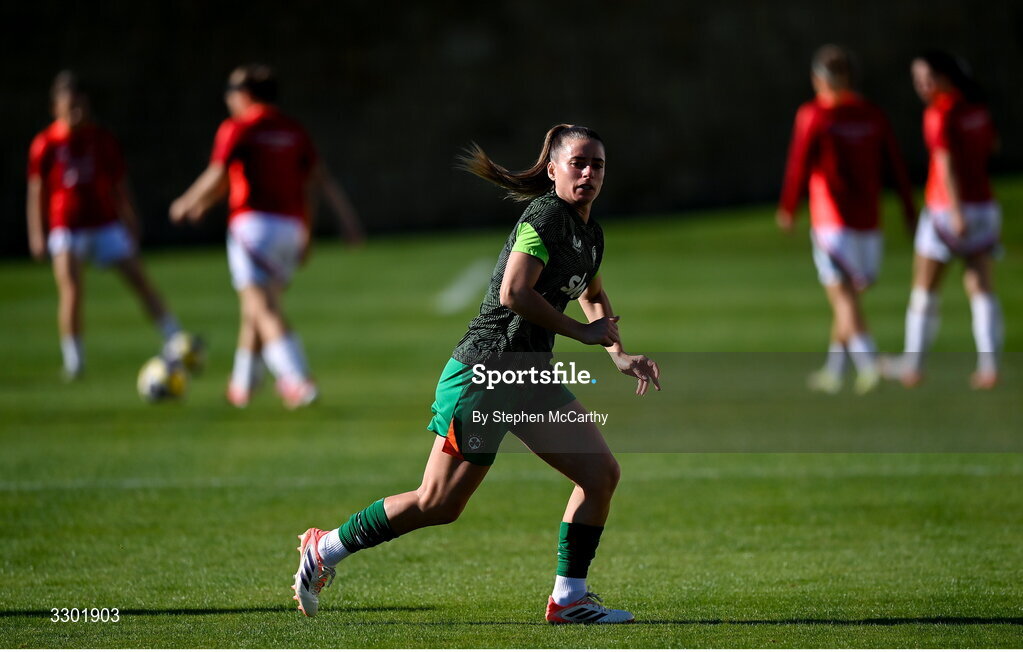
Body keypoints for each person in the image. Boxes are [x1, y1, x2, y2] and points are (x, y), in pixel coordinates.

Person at [290, 124, 661, 623]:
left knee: (600, 476)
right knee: (438, 503)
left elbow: (592, 294)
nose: (589, 173)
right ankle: (325, 549)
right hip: (485, 371)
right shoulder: (545, 216)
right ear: (553, 169)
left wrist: (616, 352)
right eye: (578, 163)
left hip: (528, 378)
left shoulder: (589, 233)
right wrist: (580, 333)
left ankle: (569, 599)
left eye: (598, 164)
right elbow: (514, 292)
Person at [170, 64, 364, 409]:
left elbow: (218, 173)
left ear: (243, 95)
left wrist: (188, 201)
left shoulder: (239, 127)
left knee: (262, 307)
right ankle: (242, 385)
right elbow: (317, 181)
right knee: (254, 308)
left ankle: (297, 379)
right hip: (288, 229)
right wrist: (336, 223)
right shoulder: (293, 129)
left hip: (252, 229)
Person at [27, 71, 185, 381]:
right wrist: (37, 232)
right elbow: (37, 191)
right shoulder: (46, 144)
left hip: (104, 223)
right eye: (69, 106)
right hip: (66, 227)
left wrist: (130, 219)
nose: (76, 112)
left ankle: (176, 339)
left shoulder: (101, 139)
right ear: (54, 108)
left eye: (80, 105)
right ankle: (74, 360)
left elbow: (119, 184)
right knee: (71, 291)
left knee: (139, 280)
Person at [777, 45, 917, 394]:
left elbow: (799, 163)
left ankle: (868, 364)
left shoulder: (814, 114)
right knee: (847, 296)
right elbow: (897, 166)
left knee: (844, 298)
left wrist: (789, 207)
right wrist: (909, 209)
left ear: (817, 79)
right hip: (869, 222)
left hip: (831, 221)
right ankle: (835, 371)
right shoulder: (872, 114)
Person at [881, 51, 1003, 390]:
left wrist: (955, 208)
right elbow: (993, 146)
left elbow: (945, 163)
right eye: (917, 79)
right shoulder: (977, 108)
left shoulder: (940, 113)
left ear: (947, 76)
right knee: (980, 287)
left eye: (928, 78)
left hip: (947, 210)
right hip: (985, 207)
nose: (922, 86)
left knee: (924, 289)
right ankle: (990, 366)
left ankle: (913, 364)